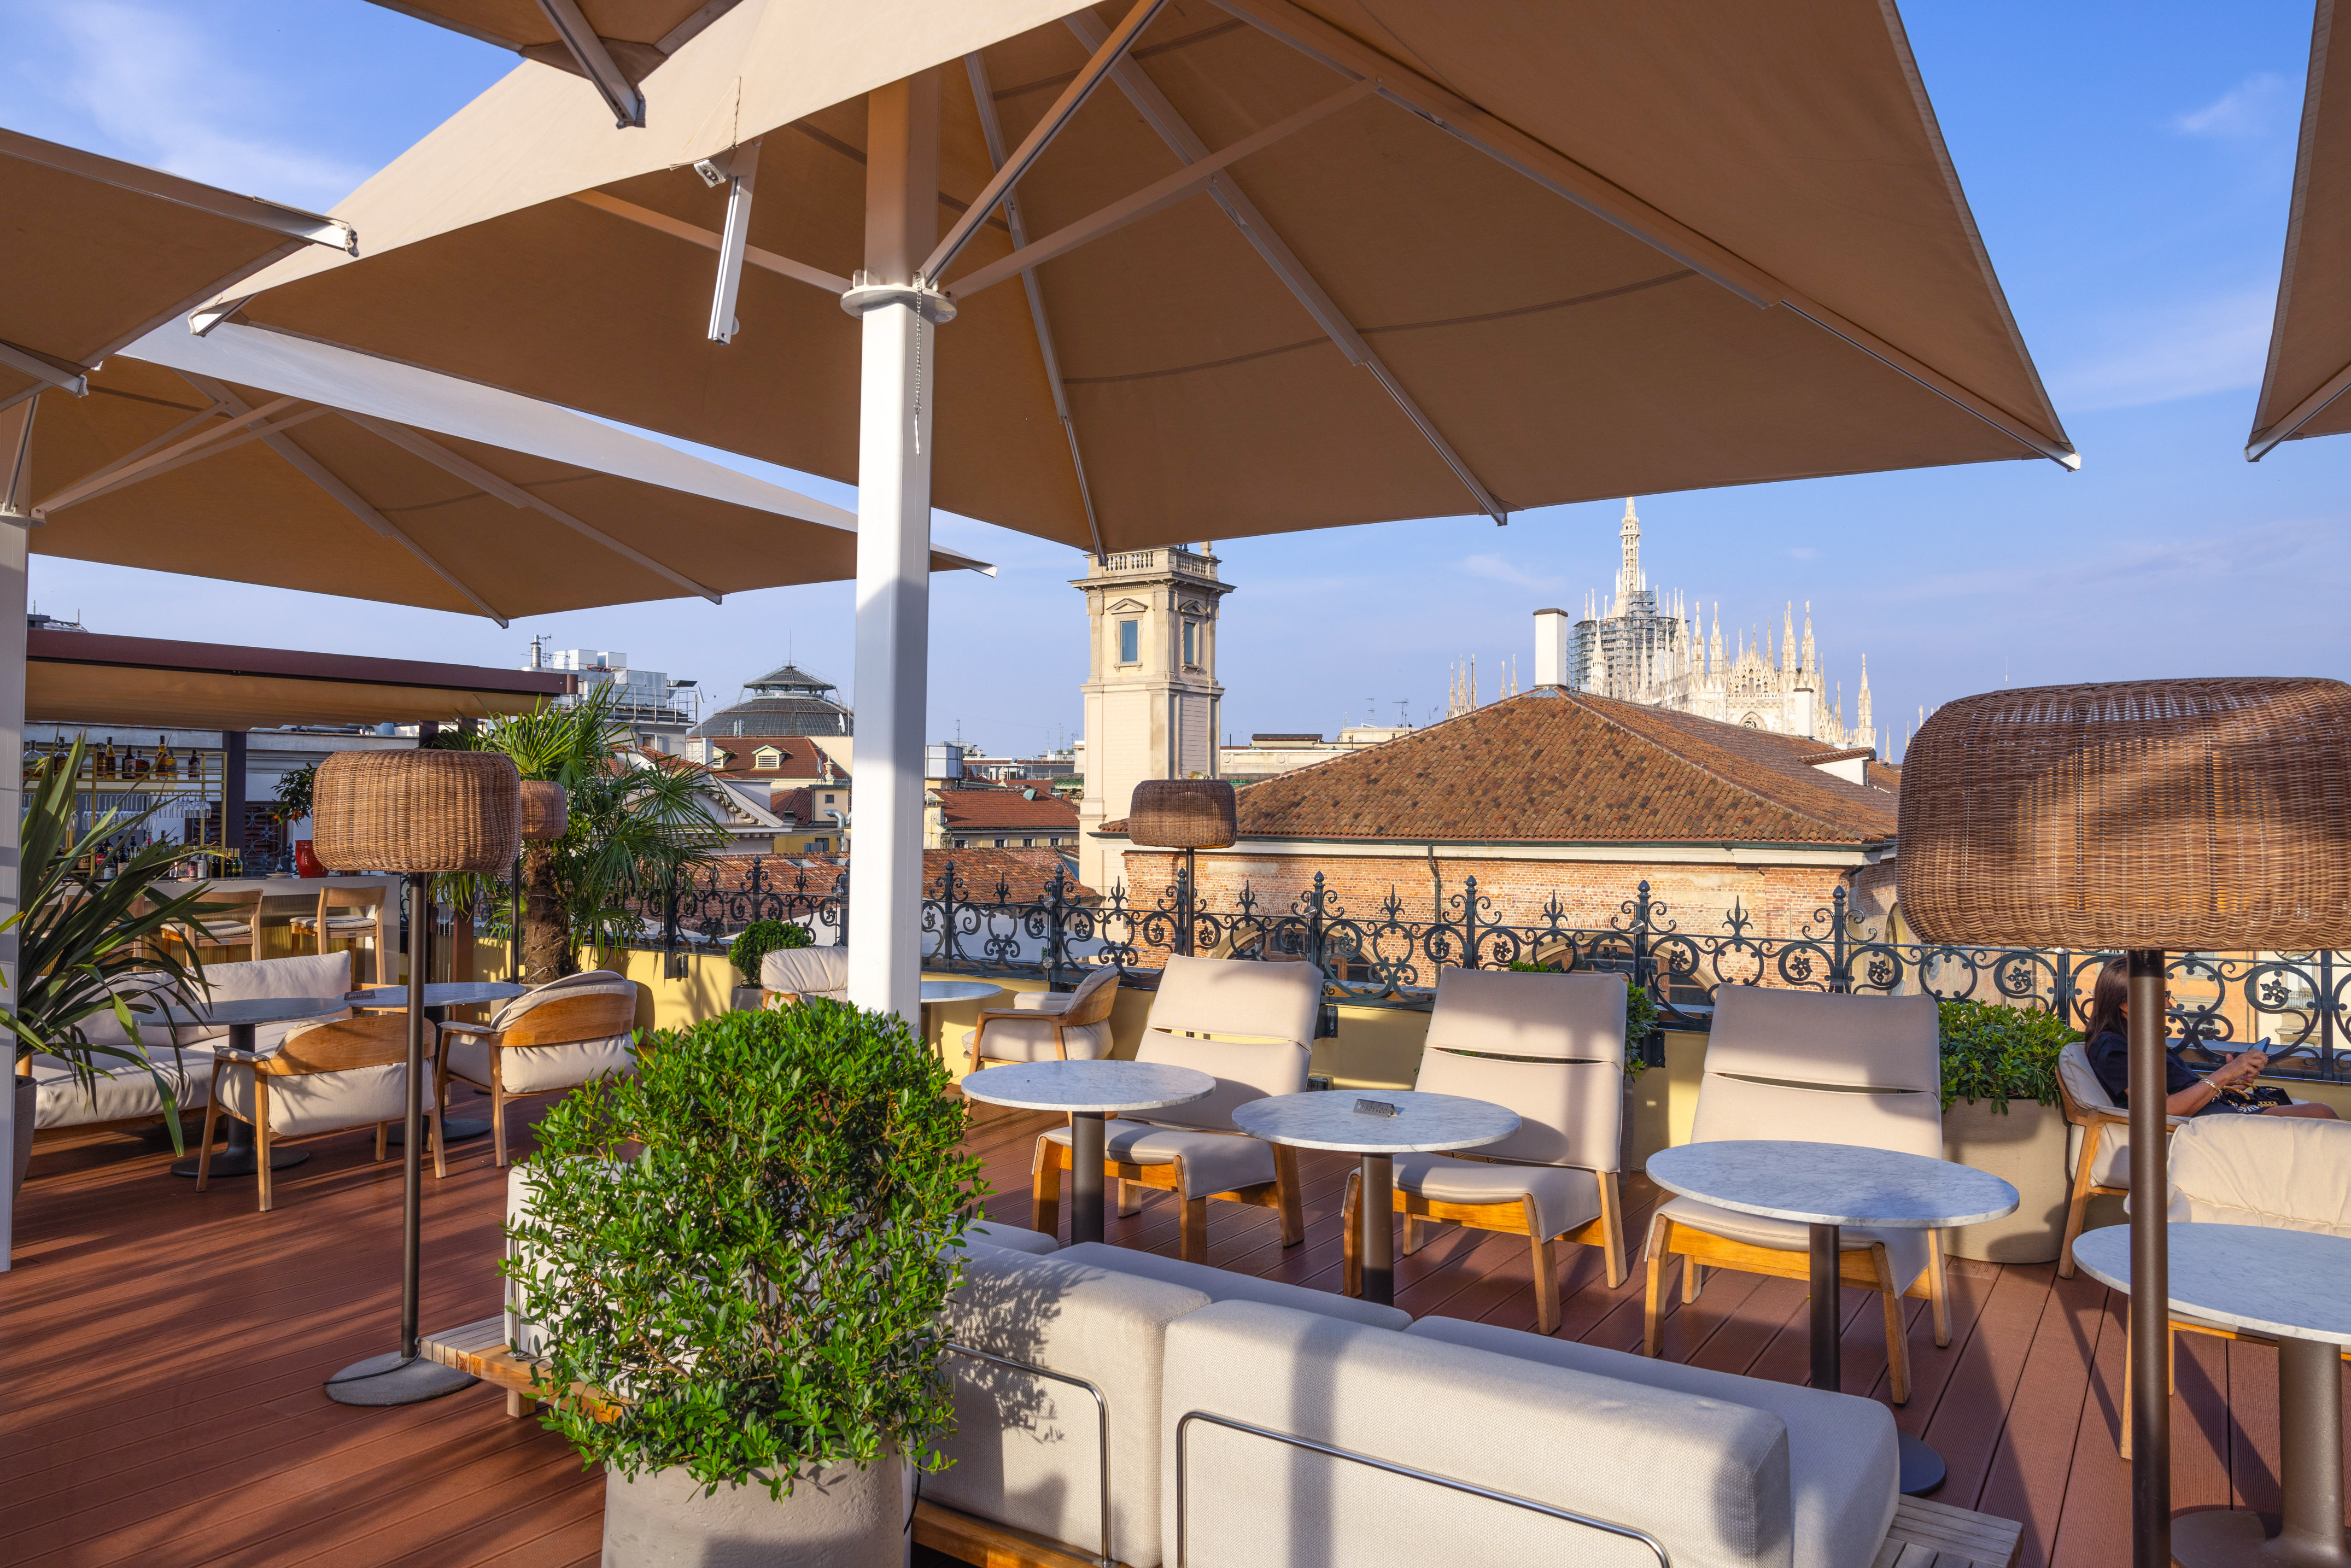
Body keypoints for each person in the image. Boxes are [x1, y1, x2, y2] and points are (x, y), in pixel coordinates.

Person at [2081, 957, 2337, 1119]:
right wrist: (2224, 1075)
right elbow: (2161, 1111)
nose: (2170, 1004)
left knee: (2319, 1114)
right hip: (2205, 1126)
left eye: (2167, 994)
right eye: (2162, 996)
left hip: (2217, 1111)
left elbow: (2184, 1091)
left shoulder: (2143, 1043)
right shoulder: (2113, 1048)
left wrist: (2231, 1077)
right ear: (2126, 1004)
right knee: (2319, 1113)